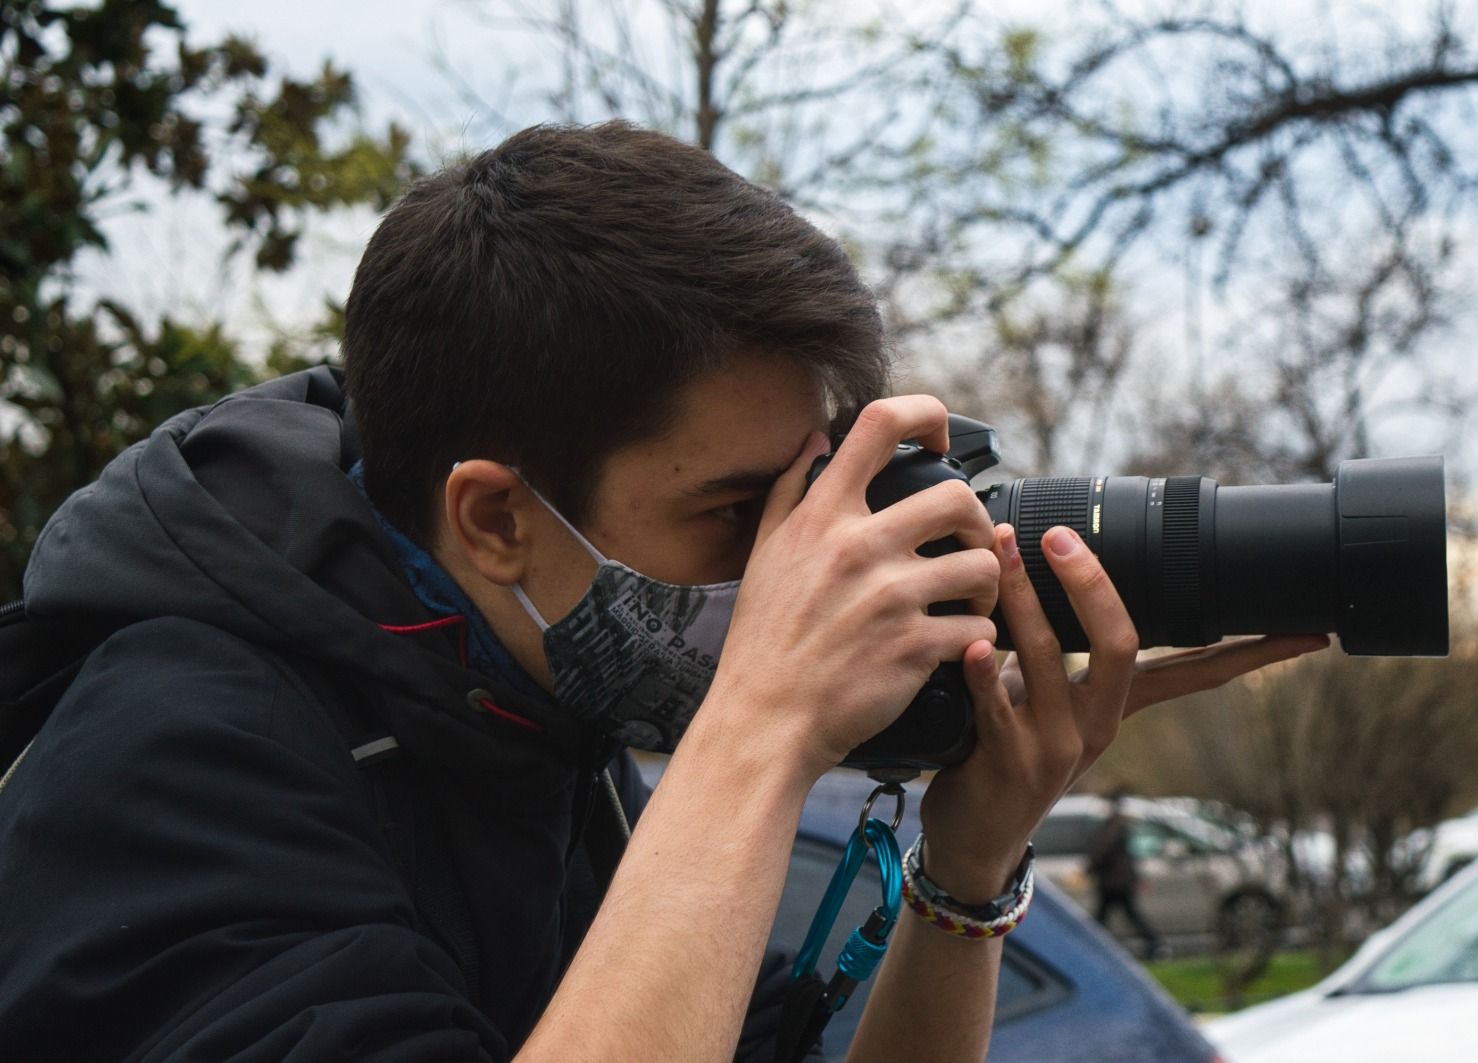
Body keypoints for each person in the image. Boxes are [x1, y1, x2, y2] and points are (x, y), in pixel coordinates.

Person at [0, 121, 1323, 1061]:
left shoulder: (529, 725)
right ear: (497, 517)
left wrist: (967, 866)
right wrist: (758, 727)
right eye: (743, 512)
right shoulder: (180, 753)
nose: (807, 561)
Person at [1088, 788, 1167, 960]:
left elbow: (1104, 852)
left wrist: (1089, 868)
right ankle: (1155, 944)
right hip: (1117, 881)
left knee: (1110, 917)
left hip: (1114, 882)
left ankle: (1155, 944)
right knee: (1117, 916)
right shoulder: (1118, 826)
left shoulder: (1113, 828)